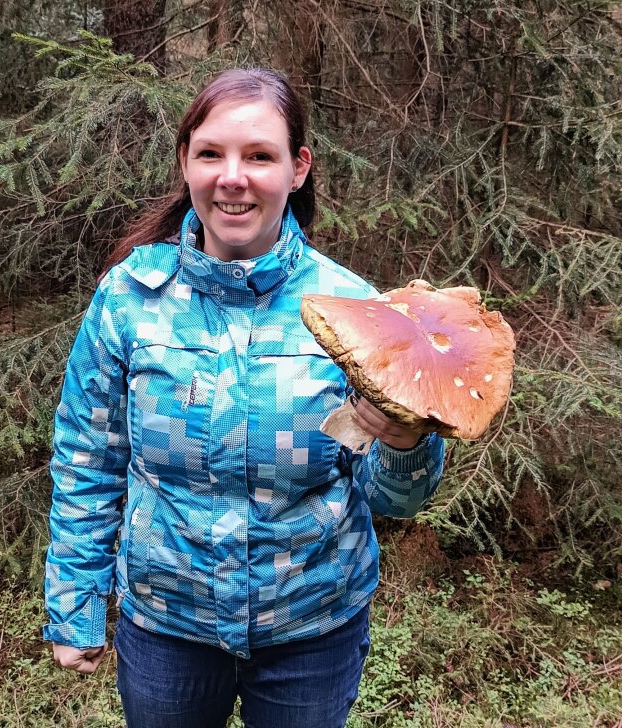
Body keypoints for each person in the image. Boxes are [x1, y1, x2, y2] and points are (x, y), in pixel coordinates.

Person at [43, 67, 445, 728]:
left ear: (298, 168)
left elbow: (396, 501)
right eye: (212, 154)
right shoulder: (129, 301)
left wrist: (404, 441)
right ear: (186, 164)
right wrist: (75, 602)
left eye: (259, 155)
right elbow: (88, 460)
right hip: (168, 629)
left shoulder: (356, 314)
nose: (234, 176)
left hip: (311, 633)